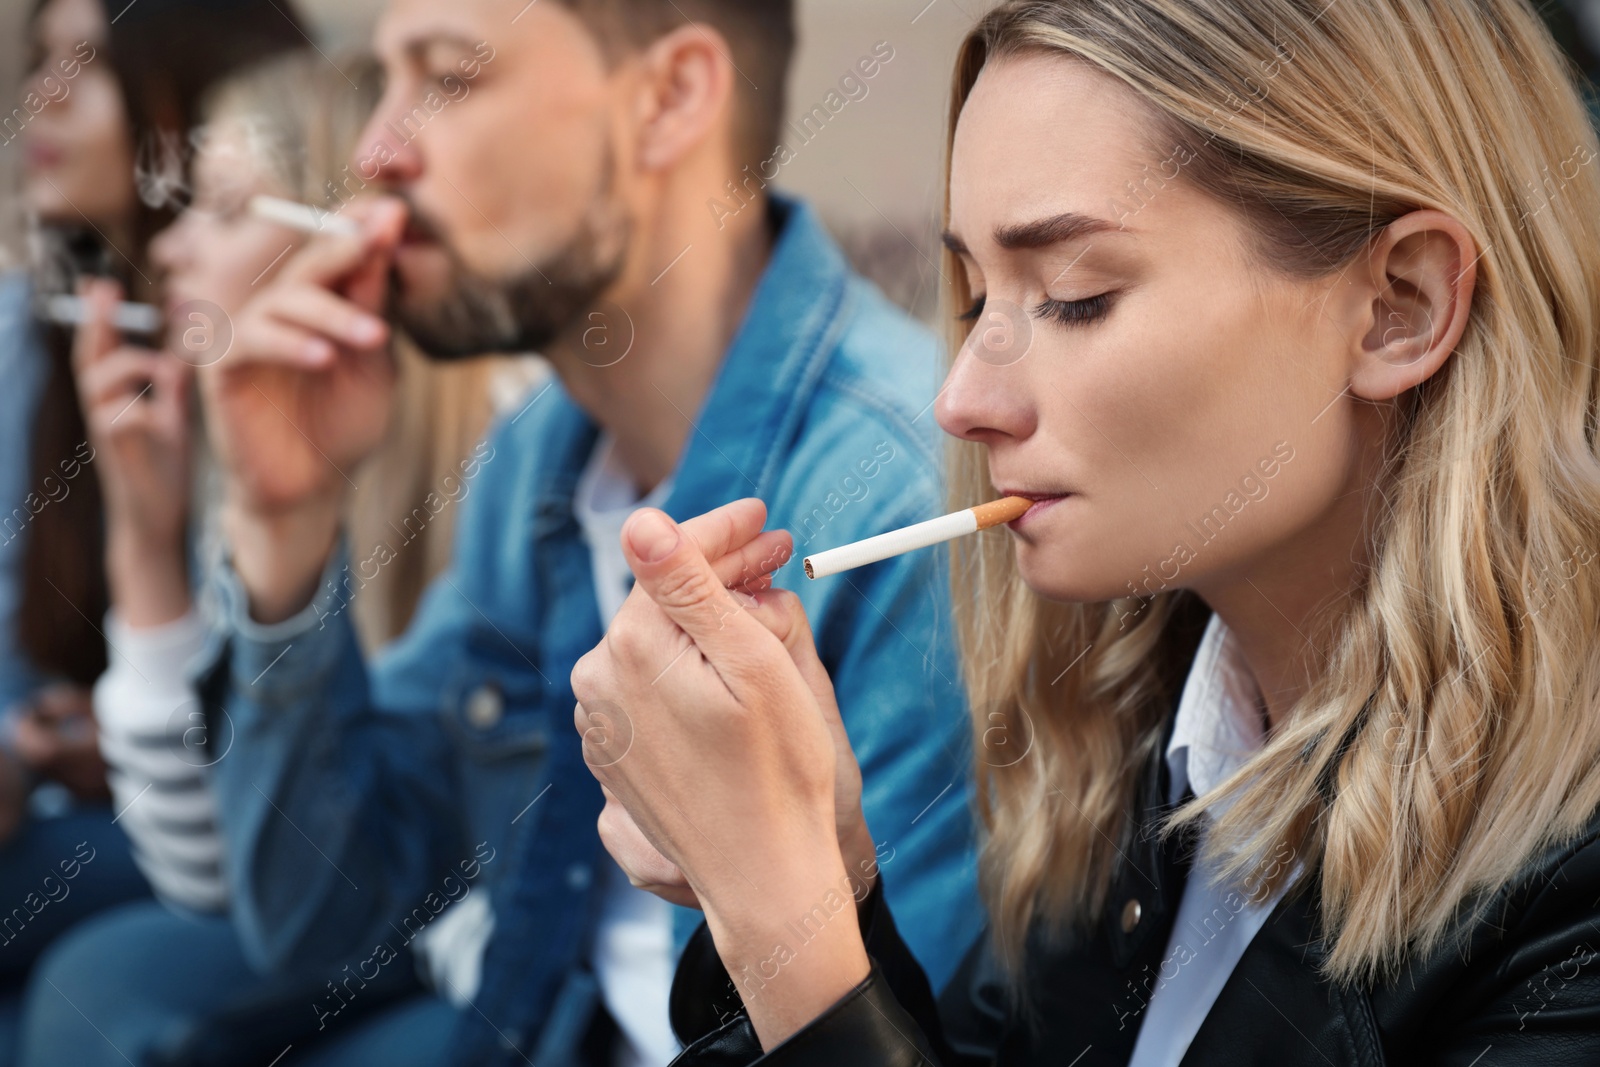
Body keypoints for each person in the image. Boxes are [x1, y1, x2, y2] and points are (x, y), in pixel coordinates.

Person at [576, 0, 1600, 1064]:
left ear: (1400, 303)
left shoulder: (1567, 893)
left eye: (1074, 295)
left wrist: (786, 927)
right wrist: (814, 883)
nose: (962, 398)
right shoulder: (1131, 740)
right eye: (974, 297)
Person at [169, 1, 982, 1065]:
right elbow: (322, 912)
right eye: (383, 88)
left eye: (448, 79)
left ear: (670, 99)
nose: (375, 152)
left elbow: (889, 1036)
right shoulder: (540, 455)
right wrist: (281, 519)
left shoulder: (897, 503)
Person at [18, 47, 546, 1066]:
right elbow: (216, 876)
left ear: (354, 235)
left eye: (221, 207)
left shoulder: (511, 453)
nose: (165, 249)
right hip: (362, 928)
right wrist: (145, 530)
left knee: (95, 981)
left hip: (476, 964)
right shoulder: (260, 439)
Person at [0, 0, 302, 1051]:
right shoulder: (35, 336)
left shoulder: (292, 385)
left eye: (86, 64)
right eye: (39, 60)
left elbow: (256, 808)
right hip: (118, 791)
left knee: (89, 974)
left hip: (208, 825)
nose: (40, 93)